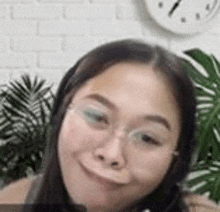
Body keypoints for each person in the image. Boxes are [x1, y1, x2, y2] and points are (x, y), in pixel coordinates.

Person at [0, 39, 220, 212]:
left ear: (177, 156)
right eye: (96, 117)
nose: (111, 154)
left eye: (147, 138)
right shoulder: (15, 203)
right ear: (61, 113)